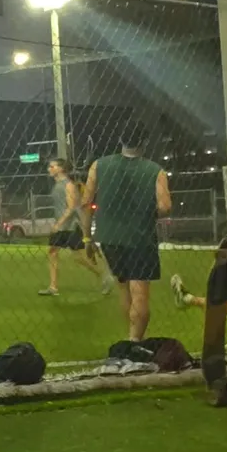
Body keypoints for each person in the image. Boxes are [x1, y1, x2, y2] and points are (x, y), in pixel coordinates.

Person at [80, 124, 172, 341]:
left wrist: (86, 237)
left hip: (110, 238)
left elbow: (85, 203)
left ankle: (133, 338)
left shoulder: (99, 165)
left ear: (121, 140)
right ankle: (135, 340)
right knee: (140, 293)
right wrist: (146, 211)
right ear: (144, 142)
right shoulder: (155, 170)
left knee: (124, 289)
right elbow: (165, 207)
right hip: (140, 239)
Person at [38, 159, 113, 296]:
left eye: (52, 166)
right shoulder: (57, 185)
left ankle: (103, 275)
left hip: (70, 227)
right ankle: (53, 287)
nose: (49, 169)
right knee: (52, 252)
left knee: (78, 257)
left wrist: (59, 223)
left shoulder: (68, 185)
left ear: (61, 169)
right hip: (61, 227)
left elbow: (72, 207)